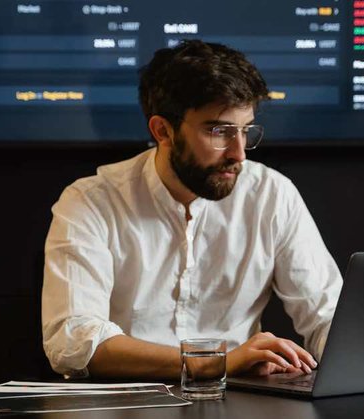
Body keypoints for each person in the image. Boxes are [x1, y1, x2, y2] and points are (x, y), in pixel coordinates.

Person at [42, 40, 342, 379]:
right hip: (125, 404)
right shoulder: (90, 201)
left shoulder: (272, 194)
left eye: (246, 131)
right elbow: (74, 340)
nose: (239, 154)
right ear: (163, 131)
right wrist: (214, 363)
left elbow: (329, 316)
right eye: (219, 131)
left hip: (241, 402)